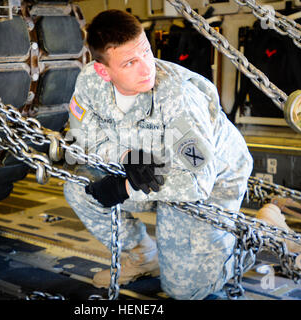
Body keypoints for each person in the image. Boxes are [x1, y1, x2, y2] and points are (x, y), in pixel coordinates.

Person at [63, 9, 256, 300]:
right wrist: (125, 154)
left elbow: (197, 181)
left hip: (213, 180)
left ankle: (246, 241)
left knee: (184, 291)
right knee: (79, 188)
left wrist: (125, 188)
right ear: (104, 71)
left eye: (146, 52)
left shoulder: (178, 98)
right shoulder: (91, 83)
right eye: (130, 63)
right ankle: (142, 256)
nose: (146, 68)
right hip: (152, 171)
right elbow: (84, 136)